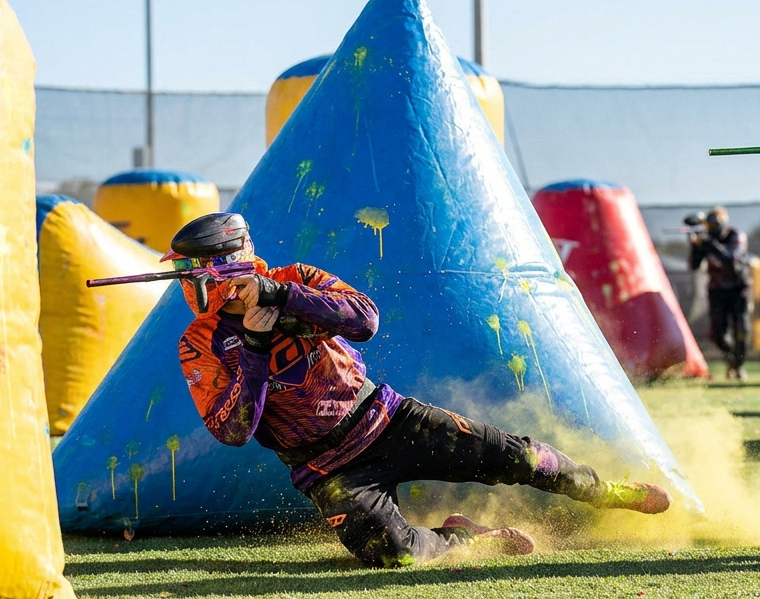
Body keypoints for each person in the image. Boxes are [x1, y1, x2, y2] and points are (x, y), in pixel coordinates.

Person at [167, 212, 671, 568]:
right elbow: (234, 430)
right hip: (328, 468)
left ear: (227, 266)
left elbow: (365, 320)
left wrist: (282, 296)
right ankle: (461, 537)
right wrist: (253, 346)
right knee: (396, 555)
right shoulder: (199, 343)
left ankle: (605, 491)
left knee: (517, 458)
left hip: (388, 420)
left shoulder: (296, 277)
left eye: (191, 272)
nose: (186, 284)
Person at [687, 206, 753, 380]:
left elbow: (730, 260)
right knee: (718, 334)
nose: (712, 227)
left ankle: (739, 366)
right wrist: (695, 245)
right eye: (709, 224)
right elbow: (694, 265)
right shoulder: (707, 240)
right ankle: (732, 360)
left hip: (739, 289)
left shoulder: (735, 236)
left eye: (715, 223)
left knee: (742, 331)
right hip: (717, 291)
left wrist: (710, 244)